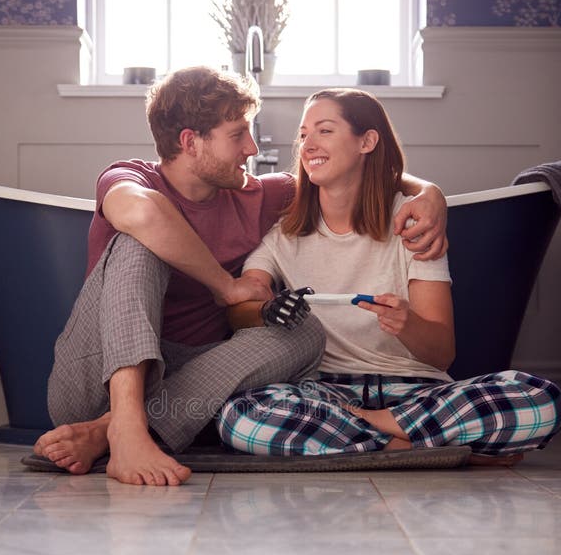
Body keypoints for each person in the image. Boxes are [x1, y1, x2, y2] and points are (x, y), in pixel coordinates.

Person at [34, 68, 450, 486]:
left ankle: (110, 432)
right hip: (96, 376)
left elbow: (351, 173)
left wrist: (431, 194)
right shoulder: (130, 177)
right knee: (138, 241)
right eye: (238, 135)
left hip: (190, 390)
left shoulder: (259, 196)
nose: (251, 148)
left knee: (304, 332)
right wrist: (226, 285)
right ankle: (122, 426)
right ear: (190, 142)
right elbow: (142, 212)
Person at [218, 88, 561, 461]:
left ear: (367, 141)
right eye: (303, 135)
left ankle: (374, 436)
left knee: (541, 400)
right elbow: (244, 301)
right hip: (326, 393)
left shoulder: (414, 225)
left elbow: (442, 354)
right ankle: (425, 446)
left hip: (415, 393)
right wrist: (266, 310)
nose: (308, 145)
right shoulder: (285, 234)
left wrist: (407, 323)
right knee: (241, 414)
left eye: (325, 131)